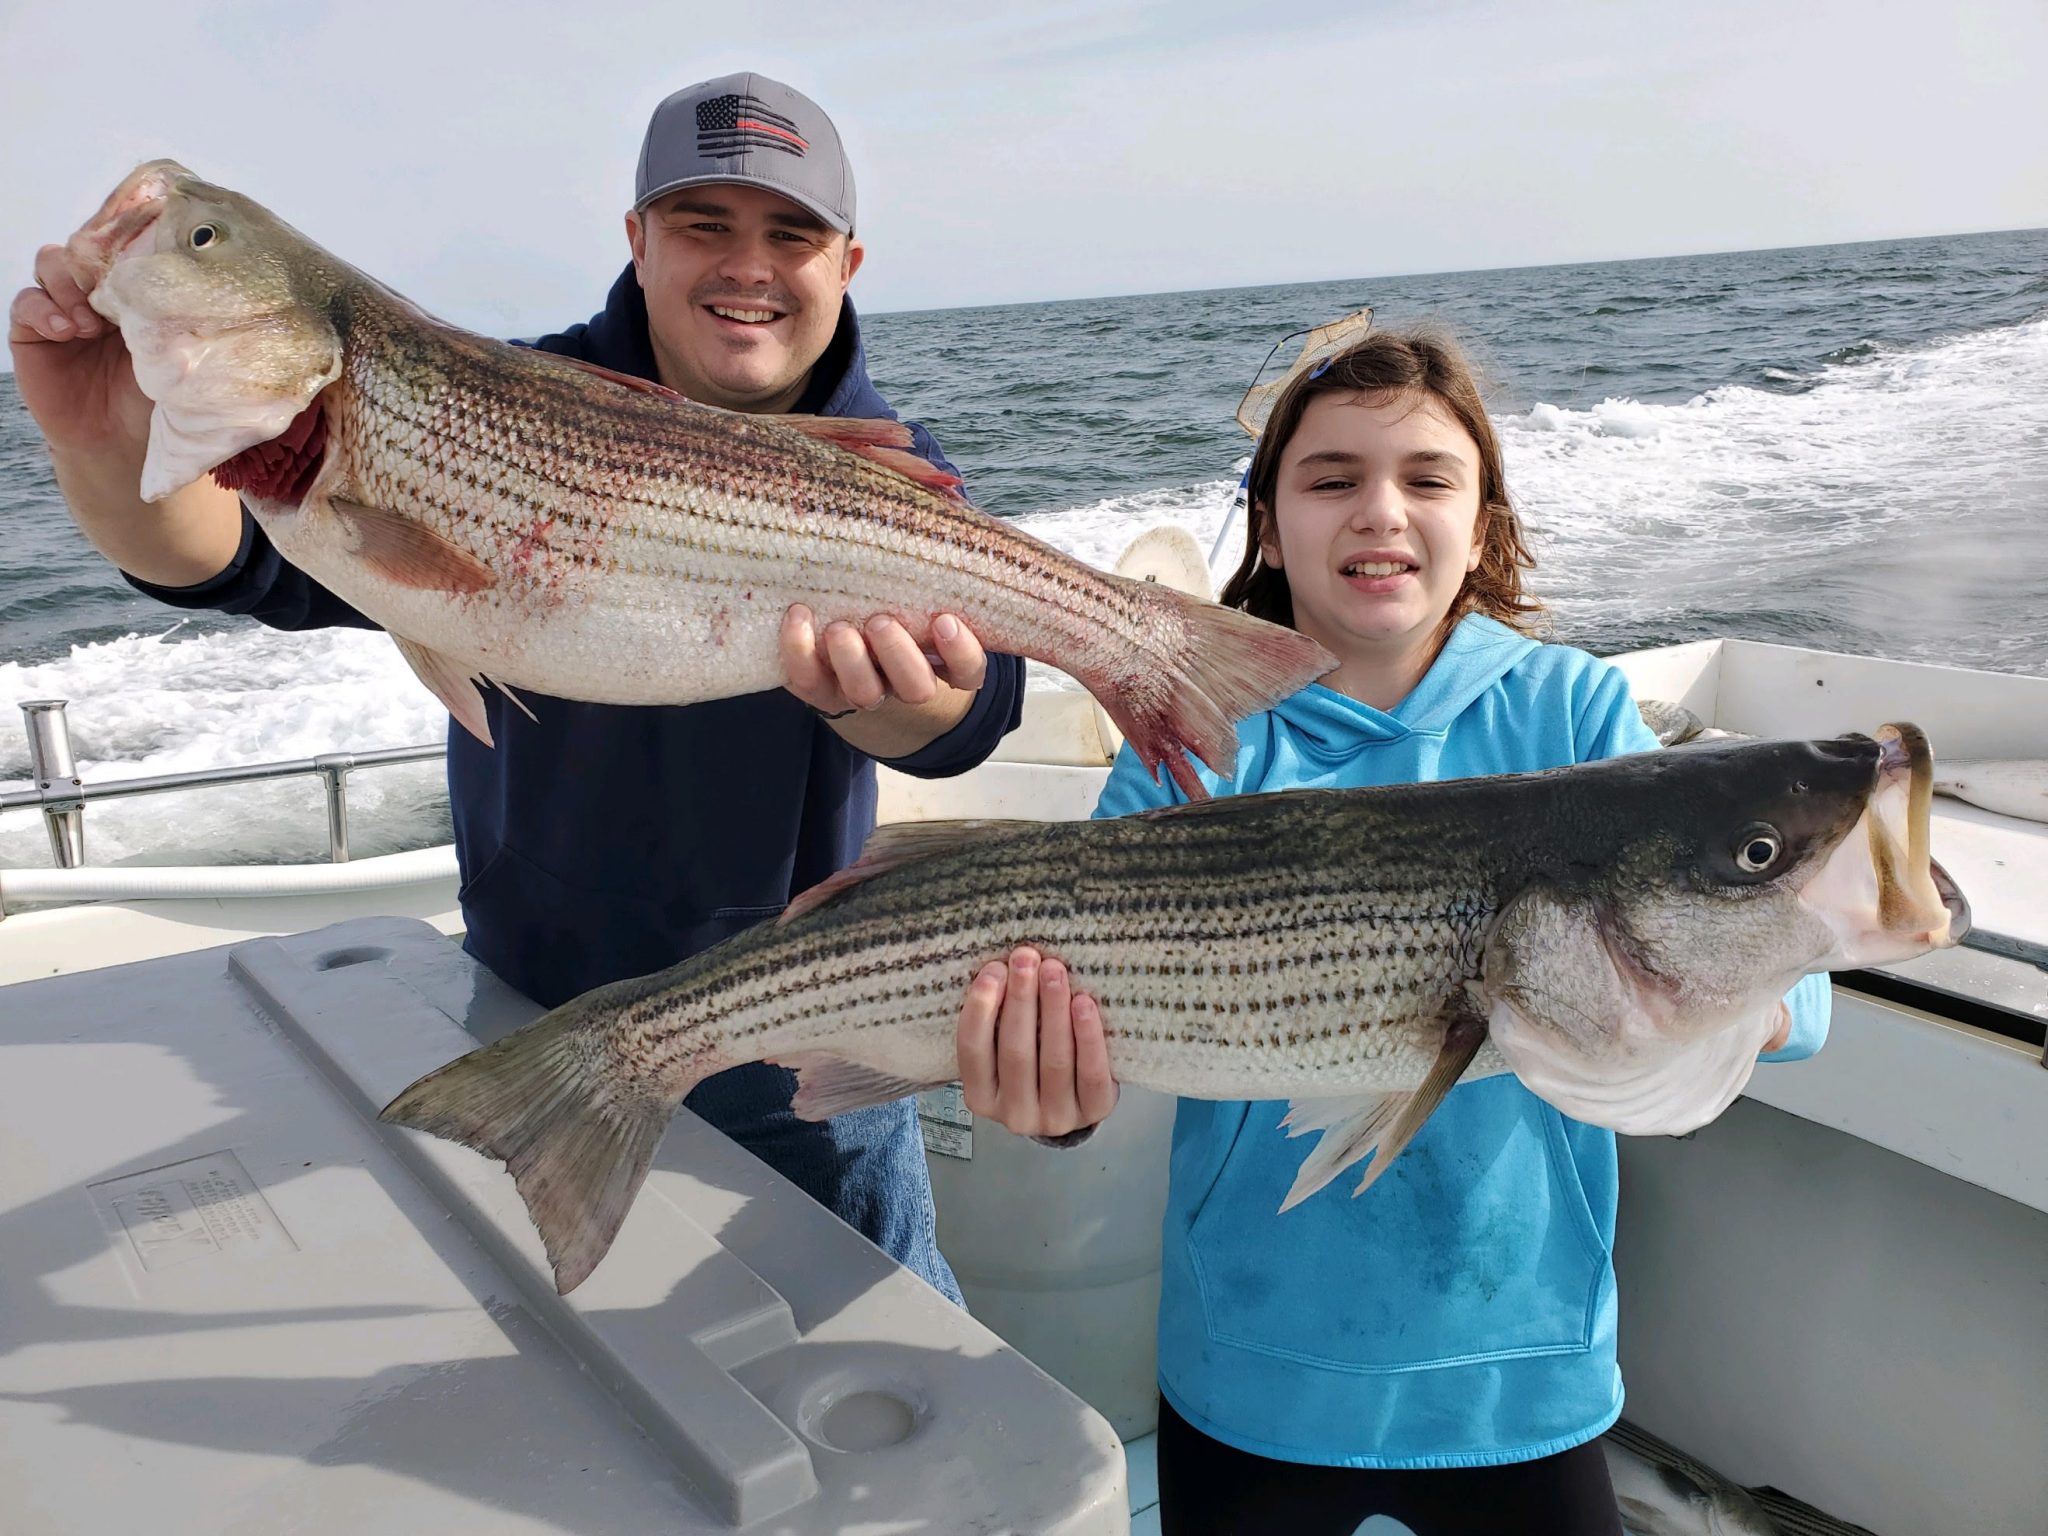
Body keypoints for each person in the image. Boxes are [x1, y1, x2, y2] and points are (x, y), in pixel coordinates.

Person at [8, 72, 1026, 1303]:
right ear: (636, 240)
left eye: (790, 233)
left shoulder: (897, 474)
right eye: (702, 222)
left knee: (890, 1369)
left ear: (846, 261)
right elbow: (235, 566)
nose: (746, 265)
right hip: (524, 1009)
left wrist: (892, 706)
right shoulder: (479, 406)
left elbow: (972, 722)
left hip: (804, 1042)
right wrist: (92, 440)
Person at [953, 329, 1830, 1533]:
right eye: (1329, 479)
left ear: (1481, 522)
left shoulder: (1571, 712)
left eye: (1426, 478)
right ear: (1268, 524)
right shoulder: (1192, 738)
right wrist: (1050, 1103)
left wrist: (1734, 991)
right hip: (1247, 1372)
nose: (1379, 510)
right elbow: (1087, 1030)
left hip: (1524, 1379)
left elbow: (1792, 976)